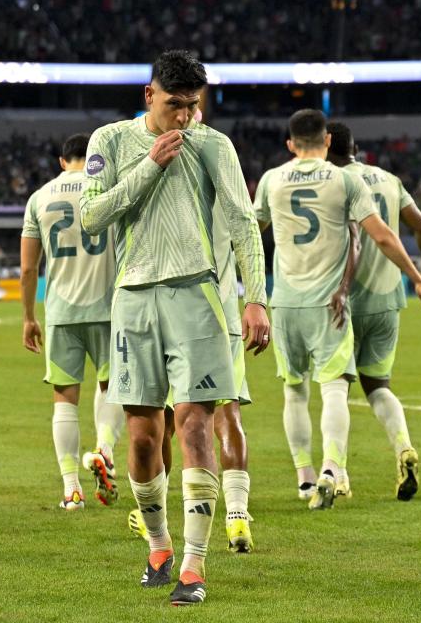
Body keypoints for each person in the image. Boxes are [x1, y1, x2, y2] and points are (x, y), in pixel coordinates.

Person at [80, 50, 269, 606]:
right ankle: (159, 545)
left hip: (197, 295)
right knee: (142, 437)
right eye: (174, 105)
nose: (185, 117)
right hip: (133, 299)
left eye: (193, 106)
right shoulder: (109, 141)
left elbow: (242, 223)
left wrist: (255, 299)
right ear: (149, 96)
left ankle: (194, 566)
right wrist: (150, 165)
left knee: (193, 427)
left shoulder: (215, 145)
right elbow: (91, 216)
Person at [254, 109, 421, 511]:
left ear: (289, 144)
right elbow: (383, 237)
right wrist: (418, 278)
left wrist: (250, 292)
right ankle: (332, 470)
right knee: (336, 388)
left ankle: (304, 479)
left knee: (294, 390)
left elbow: (251, 234)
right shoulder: (344, 180)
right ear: (327, 141)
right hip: (330, 302)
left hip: (284, 302)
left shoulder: (271, 179)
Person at [128, 109, 255, 554]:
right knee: (226, 413)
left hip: (186, 312)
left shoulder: (183, 181)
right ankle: (237, 515)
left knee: (164, 420)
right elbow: (249, 230)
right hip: (223, 312)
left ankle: (157, 513)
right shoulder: (224, 177)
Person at [326, 120, 421, 500]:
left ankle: (338, 473)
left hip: (342, 301)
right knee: (379, 386)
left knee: (336, 386)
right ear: (355, 147)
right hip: (388, 300)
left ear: (327, 148)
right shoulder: (388, 179)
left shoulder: (330, 181)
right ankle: (403, 447)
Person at [20, 132, 123, 511]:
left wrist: (29, 317)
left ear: (62, 161)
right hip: (110, 307)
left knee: (65, 399)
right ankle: (105, 449)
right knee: (112, 385)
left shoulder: (40, 198)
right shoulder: (109, 190)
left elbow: (29, 268)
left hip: (62, 312)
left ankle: (71, 490)